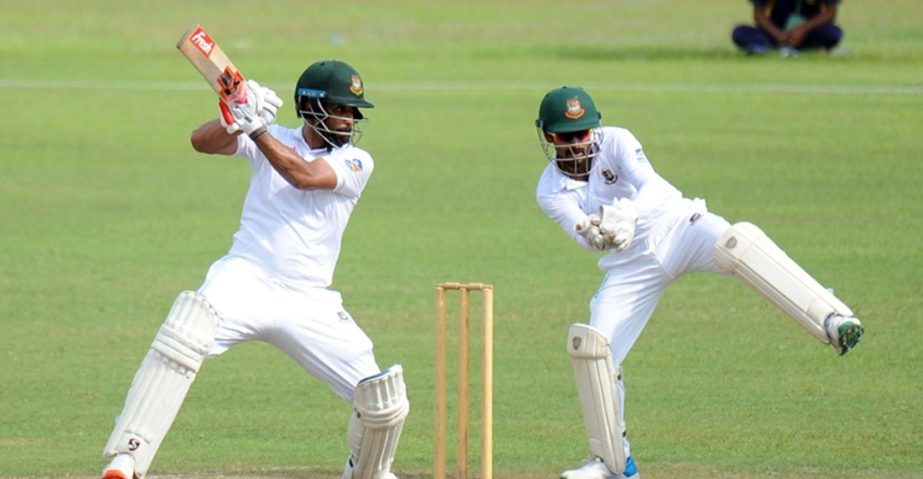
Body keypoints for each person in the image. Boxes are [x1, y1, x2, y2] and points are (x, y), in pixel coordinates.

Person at [533, 86, 863, 479]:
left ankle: (832, 319)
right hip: (631, 265)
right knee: (594, 349)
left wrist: (628, 215)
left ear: (595, 130)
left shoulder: (618, 140)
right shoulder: (549, 189)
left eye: (583, 134)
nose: (576, 144)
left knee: (738, 243)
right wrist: (600, 232)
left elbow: (655, 187)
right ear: (549, 137)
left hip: (680, 228)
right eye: (565, 137)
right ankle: (614, 463)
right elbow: (582, 235)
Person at [100, 60, 409, 479]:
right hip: (246, 277)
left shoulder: (357, 161)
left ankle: (368, 472)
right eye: (342, 109)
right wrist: (231, 119)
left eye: (353, 111)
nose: (350, 119)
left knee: (382, 399)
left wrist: (256, 127)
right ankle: (128, 458)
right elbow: (199, 142)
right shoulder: (273, 136)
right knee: (185, 331)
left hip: (310, 299)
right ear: (311, 107)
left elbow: (301, 174)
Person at [732, 0, 843, 56]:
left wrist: (802, 30)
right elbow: (759, 14)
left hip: (809, 31)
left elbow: (830, 13)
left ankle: (810, 48)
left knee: (833, 33)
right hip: (775, 32)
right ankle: (763, 49)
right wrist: (779, 35)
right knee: (740, 32)